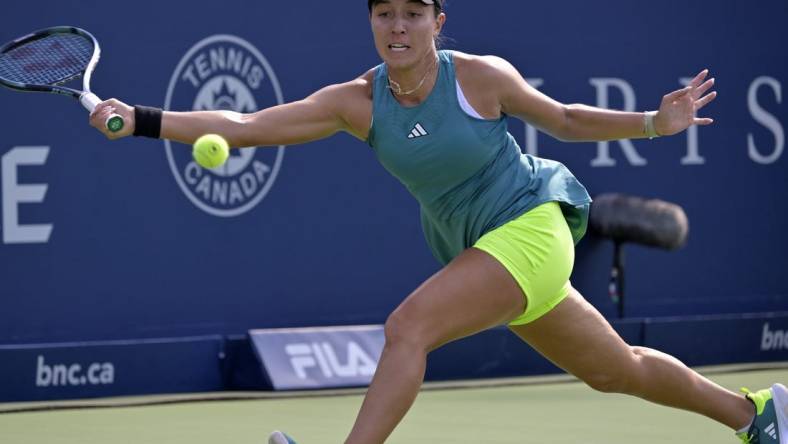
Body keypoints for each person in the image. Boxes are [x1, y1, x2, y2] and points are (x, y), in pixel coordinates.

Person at [90, 1, 785, 443]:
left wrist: (652, 124)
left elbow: (567, 120)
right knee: (617, 371)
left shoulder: (481, 77)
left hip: (532, 227)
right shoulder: (356, 102)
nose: (398, 27)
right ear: (371, 21)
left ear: (438, 21)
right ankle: (755, 414)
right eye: (385, 13)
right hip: (486, 247)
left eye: (413, 13)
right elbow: (242, 125)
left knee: (407, 328)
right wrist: (145, 122)